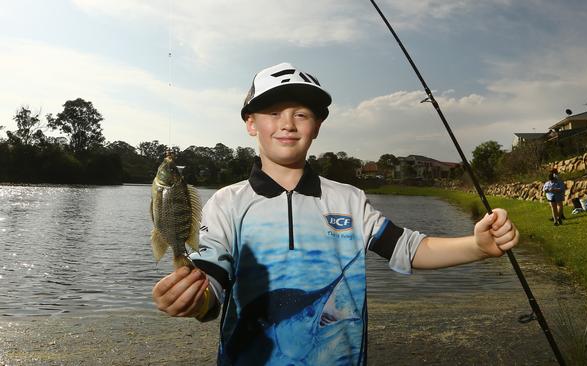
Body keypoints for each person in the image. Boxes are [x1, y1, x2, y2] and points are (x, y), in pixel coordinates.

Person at [151, 62, 520, 365]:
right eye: (273, 112)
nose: (288, 123)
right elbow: (213, 277)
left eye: (302, 114)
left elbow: (407, 248)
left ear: (317, 127)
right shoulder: (227, 202)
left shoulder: (348, 199)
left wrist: (478, 246)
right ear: (251, 123)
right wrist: (192, 299)